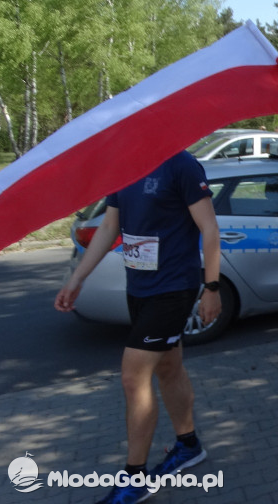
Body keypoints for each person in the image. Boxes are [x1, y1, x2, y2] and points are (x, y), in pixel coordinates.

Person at [55, 150, 222, 504]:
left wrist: (212, 287)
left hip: (173, 289)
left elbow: (209, 228)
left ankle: (135, 478)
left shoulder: (181, 165)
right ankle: (188, 445)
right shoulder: (124, 165)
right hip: (140, 287)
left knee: (133, 378)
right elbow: (109, 227)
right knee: (169, 366)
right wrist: (77, 278)